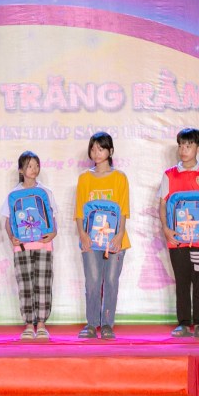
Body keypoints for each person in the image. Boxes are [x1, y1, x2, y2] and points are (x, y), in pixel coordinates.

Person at [158, 128, 199, 338]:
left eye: (188, 145)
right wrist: (166, 229)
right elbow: (163, 205)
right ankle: (183, 323)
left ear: (198, 148)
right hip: (177, 239)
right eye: (181, 145)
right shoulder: (169, 174)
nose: (183, 150)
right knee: (182, 281)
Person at [75, 132, 129, 340]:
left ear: (110, 151)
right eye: (93, 149)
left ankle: (107, 324)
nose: (96, 153)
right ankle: (91, 324)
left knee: (112, 281)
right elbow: (79, 212)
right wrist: (82, 235)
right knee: (93, 281)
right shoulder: (84, 178)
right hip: (91, 239)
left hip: (115, 239)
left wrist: (120, 235)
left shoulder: (120, 177)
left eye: (101, 148)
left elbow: (123, 210)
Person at [1, 151, 57, 341]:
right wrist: (12, 238)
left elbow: (53, 216)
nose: (34, 169)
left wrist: (54, 233)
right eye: (29, 166)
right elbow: (8, 221)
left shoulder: (46, 192)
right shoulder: (13, 194)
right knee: (25, 284)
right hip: (22, 246)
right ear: (21, 170)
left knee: (43, 283)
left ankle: (41, 324)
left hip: (43, 244)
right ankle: (28, 324)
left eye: (36, 165)